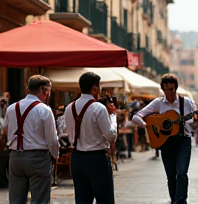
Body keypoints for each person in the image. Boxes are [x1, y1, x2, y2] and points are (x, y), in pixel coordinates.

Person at [132, 73, 198, 204]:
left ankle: (181, 200)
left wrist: (196, 121)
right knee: (171, 176)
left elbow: (194, 127)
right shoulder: (158, 103)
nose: (169, 92)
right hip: (166, 143)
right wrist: (149, 126)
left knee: (181, 172)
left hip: (183, 141)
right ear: (163, 89)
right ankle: (174, 199)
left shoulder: (186, 103)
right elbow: (136, 117)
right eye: (166, 89)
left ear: (176, 88)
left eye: (172, 89)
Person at [64, 72, 117, 204]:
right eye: (99, 87)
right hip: (96, 158)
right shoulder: (99, 108)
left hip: (76, 158)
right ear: (94, 88)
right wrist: (113, 118)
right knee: (105, 199)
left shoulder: (69, 108)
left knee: (82, 200)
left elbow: (67, 130)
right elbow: (111, 136)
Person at [5, 75, 59, 204]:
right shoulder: (44, 110)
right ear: (44, 90)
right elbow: (52, 139)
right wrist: (55, 155)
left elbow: (7, 132)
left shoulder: (11, 108)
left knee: (16, 199)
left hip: (15, 157)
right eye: (48, 92)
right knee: (40, 199)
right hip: (38, 158)